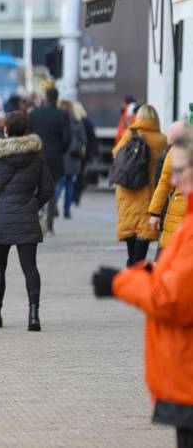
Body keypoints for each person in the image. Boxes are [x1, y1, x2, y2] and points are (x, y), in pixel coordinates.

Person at [93, 127, 193, 448]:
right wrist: (149, 271)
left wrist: (120, 282)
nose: (175, 182)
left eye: (180, 172)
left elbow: (170, 298)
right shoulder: (187, 223)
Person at [0, 111, 54, 331]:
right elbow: (47, 188)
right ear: (25, 130)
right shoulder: (36, 154)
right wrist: (33, 204)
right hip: (27, 216)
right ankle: (33, 314)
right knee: (30, 267)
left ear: (6, 130)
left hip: (1, 217)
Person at [114, 104, 167, 266]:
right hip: (148, 195)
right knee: (141, 252)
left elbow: (116, 154)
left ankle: (130, 278)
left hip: (128, 192)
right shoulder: (162, 140)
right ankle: (136, 279)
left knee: (131, 246)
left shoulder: (130, 134)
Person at [29, 87, 70, 234]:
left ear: (46, 97)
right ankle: (50, 223)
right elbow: (67, 139)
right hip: (55, 157)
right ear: (57, 98)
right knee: (51, 190)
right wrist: (60, 151)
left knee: (35, 187)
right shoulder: (62, 115)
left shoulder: (34, 114)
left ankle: (37, 218)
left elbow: (28, 136)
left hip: (37, 155)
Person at [148, 121, 189, 252]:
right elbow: (165, 182)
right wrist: (154, 212)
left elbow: (165, 182)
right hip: (179, 212)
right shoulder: (180, 147)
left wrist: (155, 213)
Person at [53, 99, 87, 220]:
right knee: (69, 184)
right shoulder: (77, 122)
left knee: (59, 182)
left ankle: (53, 206)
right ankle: (67, 211)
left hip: (61, 156)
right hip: (73, 157)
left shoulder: (58, 121)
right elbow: (84, 139)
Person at [73, 101, 98, 207]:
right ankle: (77, 197)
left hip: (74, 153)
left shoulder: (74, 121)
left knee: (72, 176)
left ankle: (73, 196)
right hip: (84, 153)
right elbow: (93, 139)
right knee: (80, 175)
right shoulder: (87, 122)